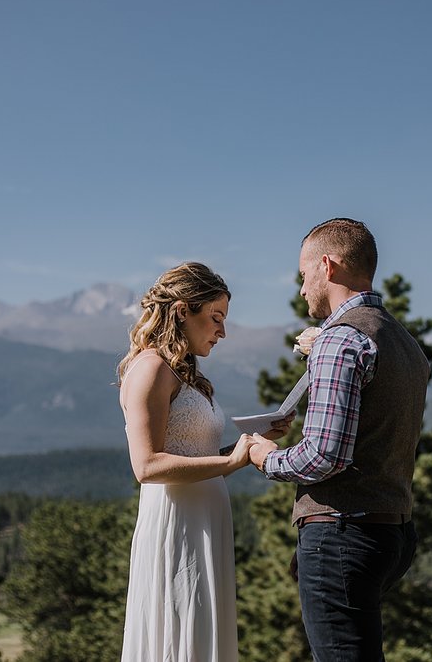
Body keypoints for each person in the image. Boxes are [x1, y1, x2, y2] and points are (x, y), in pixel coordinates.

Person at [248, 218, 430, 661]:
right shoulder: (401, 340)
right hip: (393, 530)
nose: (301, 288)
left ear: (326, 266)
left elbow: (324, 455)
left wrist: (266, 456)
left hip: (344, 532)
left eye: (303, 275)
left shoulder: (340, 339)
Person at [117, 262, 288, 662]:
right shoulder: (150, 368)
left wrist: (251, 443)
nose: (222, 331)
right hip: (177, 525)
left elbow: (195, 455)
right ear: (181, 311)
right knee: (179, 634)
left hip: (206, 522)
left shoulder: (185, 373)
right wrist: (231, 463)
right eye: (215, 317)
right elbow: (147, 466)